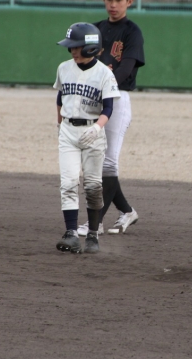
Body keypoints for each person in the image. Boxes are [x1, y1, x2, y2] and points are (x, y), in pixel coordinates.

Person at [76, 0, 145, 236]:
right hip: (92, 101)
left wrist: (101, 80)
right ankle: (127, 211)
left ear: (130, 1)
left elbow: (126, 69)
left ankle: (95, 223)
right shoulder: (93, 30)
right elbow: (80, 62)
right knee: (94, 164)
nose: (113, 4)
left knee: (108, 164)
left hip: (117, 100)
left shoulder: (132, 32)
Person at [53, 22, 120, 254]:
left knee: (92, 186)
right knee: (68, 182)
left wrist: (98, 128)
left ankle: (92, 234)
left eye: (77, 47)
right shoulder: (64, 68)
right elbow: (60, 100)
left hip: (93, 132)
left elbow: (108, 108)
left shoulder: (104, 73)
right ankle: (71, 234)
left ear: (90, 48)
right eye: (71, 47)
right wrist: (59, 125)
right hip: (68, 131)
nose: (72, 51)